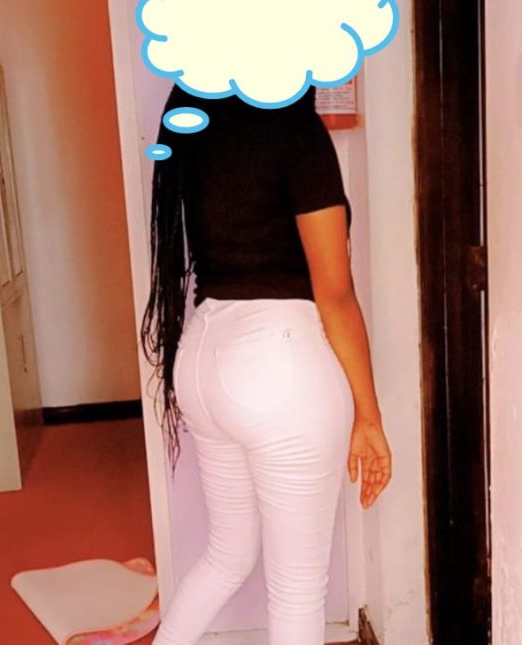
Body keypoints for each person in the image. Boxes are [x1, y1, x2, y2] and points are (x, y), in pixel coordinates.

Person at [140, 83, 392, 645]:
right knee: (297, 590)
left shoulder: (196, 115)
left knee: (226, 555)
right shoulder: (293, 129)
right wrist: (369, 416)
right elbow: (335, 295)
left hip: (203, 358)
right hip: (278, 364)